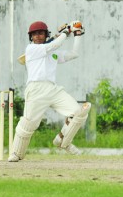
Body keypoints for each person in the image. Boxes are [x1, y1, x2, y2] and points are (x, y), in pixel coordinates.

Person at [8, 20, 91, 162]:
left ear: (46, 34)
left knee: (79, 112)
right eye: (35, 34)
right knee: (29, 124)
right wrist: (66, 31)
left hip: (53, 89)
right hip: (36, 89)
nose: (38, 36)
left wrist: (77, 34)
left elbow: (74, 54)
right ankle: (16, 153)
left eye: (41, 33)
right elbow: (55, 44)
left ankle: (62, 141)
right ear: (31, 37)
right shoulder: (31, 49)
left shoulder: (53, 53)